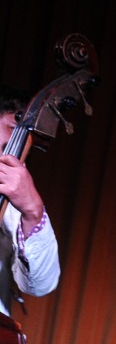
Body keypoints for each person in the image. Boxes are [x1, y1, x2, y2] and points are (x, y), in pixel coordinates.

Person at [0, 84, 60, 317]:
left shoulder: (10, 195)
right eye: (12, 128)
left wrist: (33, 211)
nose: (15, 143)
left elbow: (42, 284)